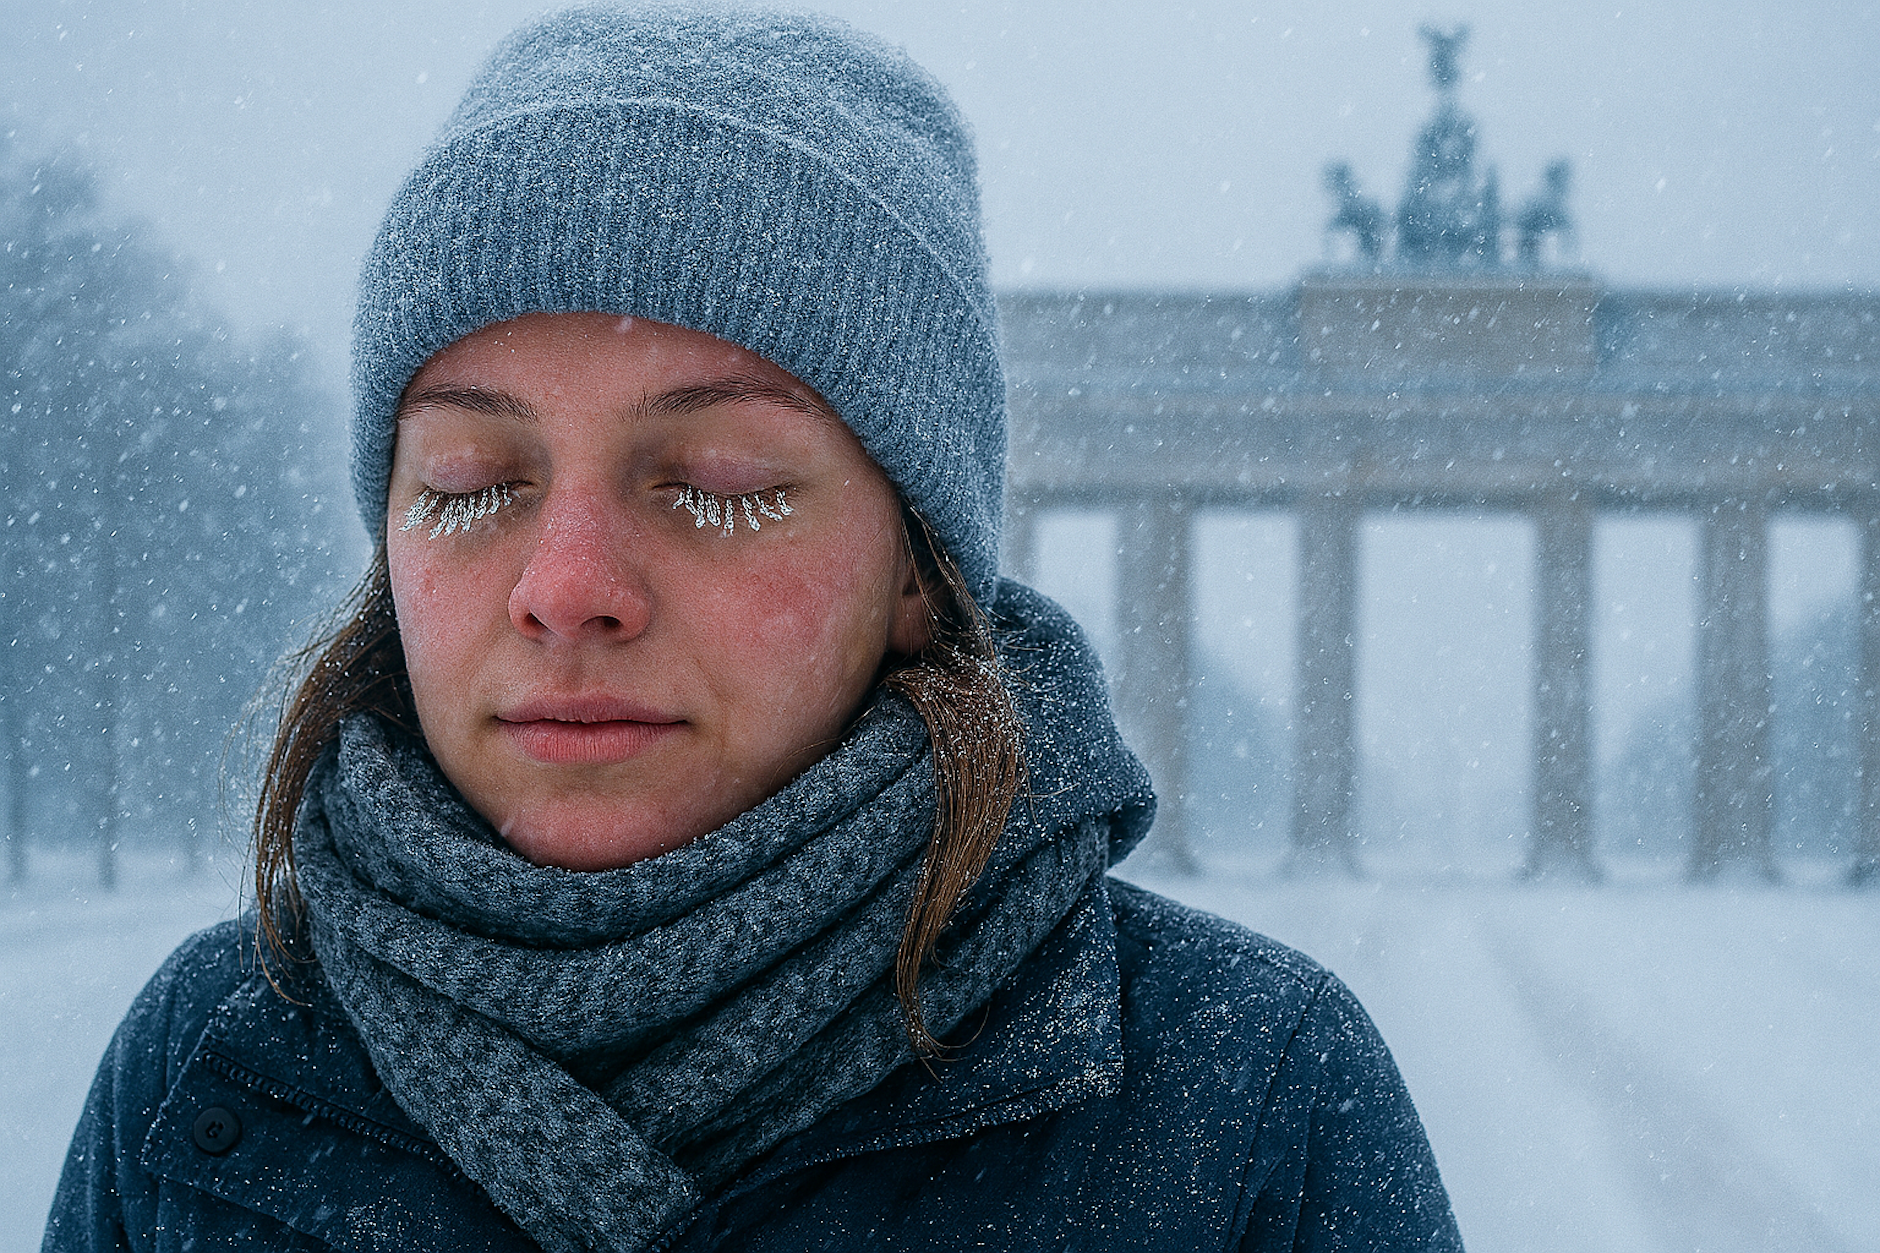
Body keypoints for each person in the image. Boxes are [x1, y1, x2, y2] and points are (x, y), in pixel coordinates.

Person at [43, 6, 1463, 1250]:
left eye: (716, 485)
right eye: (472, 486)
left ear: (917, 570)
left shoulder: (1249, 1099)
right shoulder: (203, 1065)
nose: (566, 584)